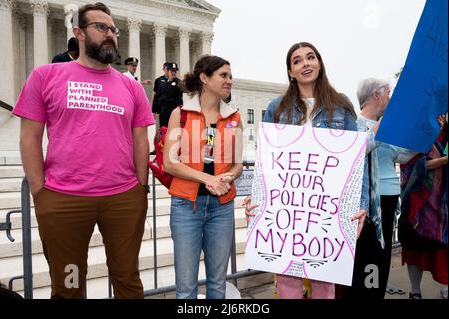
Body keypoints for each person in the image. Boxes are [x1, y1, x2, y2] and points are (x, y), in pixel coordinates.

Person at [12, 2, 154, 298]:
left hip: (123, 199)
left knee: (127, 279)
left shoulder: (131, 87)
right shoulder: (46, 76)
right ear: (78, 32)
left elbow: (141, 139)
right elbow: (29, 138)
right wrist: (42, 193)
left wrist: (140, 188)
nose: (110, 34)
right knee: (69, 283)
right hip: (64, 200)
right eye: (101, 27)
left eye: (113, 29)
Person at [244, 42, 366, 299]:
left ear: (319, 63)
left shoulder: (341, 106)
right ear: (290, 72)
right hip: (288, 208)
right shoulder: (276, 108)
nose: (305, 64)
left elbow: (356, 161)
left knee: (325, 281)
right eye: (297, 61)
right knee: (287, 279)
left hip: (326, 207)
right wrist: (257, 199)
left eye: (310, 58)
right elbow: (267, 160)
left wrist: (360, 203)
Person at [163, 55, 243, 299]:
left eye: (230, 75)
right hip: (187, 206)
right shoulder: (181, 114)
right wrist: (208, 179)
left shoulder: (234, 118)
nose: (229, 80)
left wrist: (228, 178)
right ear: (204, 78)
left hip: (222, 207)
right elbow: (169, 162)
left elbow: (237, 164)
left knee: (218, 285)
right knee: (186, 288)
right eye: (223, 75)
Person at [345, 78, 417, 299]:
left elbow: (401, 154)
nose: (391, 97)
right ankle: (368, 294)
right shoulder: (354, 125)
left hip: (389, 198)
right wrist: (380, 128)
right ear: (376, 95)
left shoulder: (387, 125)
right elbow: (356, 153)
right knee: (369, 255)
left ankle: (376, 293)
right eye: (388, 92)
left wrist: (421, 139)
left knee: (382, 254)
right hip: (369, 204)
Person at [399, 115, 447, 299]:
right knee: (414, 248)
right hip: (416, 205)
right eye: (437, 118)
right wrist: (445, 160)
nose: (440, 120)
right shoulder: (413, 138)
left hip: (436, 206)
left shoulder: (434, 140)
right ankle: (415, 291)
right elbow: (413, 167)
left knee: (438, 247)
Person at [158, 62, 183, 128]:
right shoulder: (163, 82)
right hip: (164, 113)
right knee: (163, 131)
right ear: (168, 71)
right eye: (172, 71)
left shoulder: (179, 82)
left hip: (174, 112)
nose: (173, 73)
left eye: (175, 71)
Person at [151, 62, 170, 132]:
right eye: (166, 69)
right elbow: (154, 94)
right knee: (161, 128)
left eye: (169, 69)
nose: (168, 71)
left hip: (171, 109)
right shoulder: (158, 80)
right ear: (163, 69)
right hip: (161, 109)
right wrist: (152, 110)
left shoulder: (175, 80)